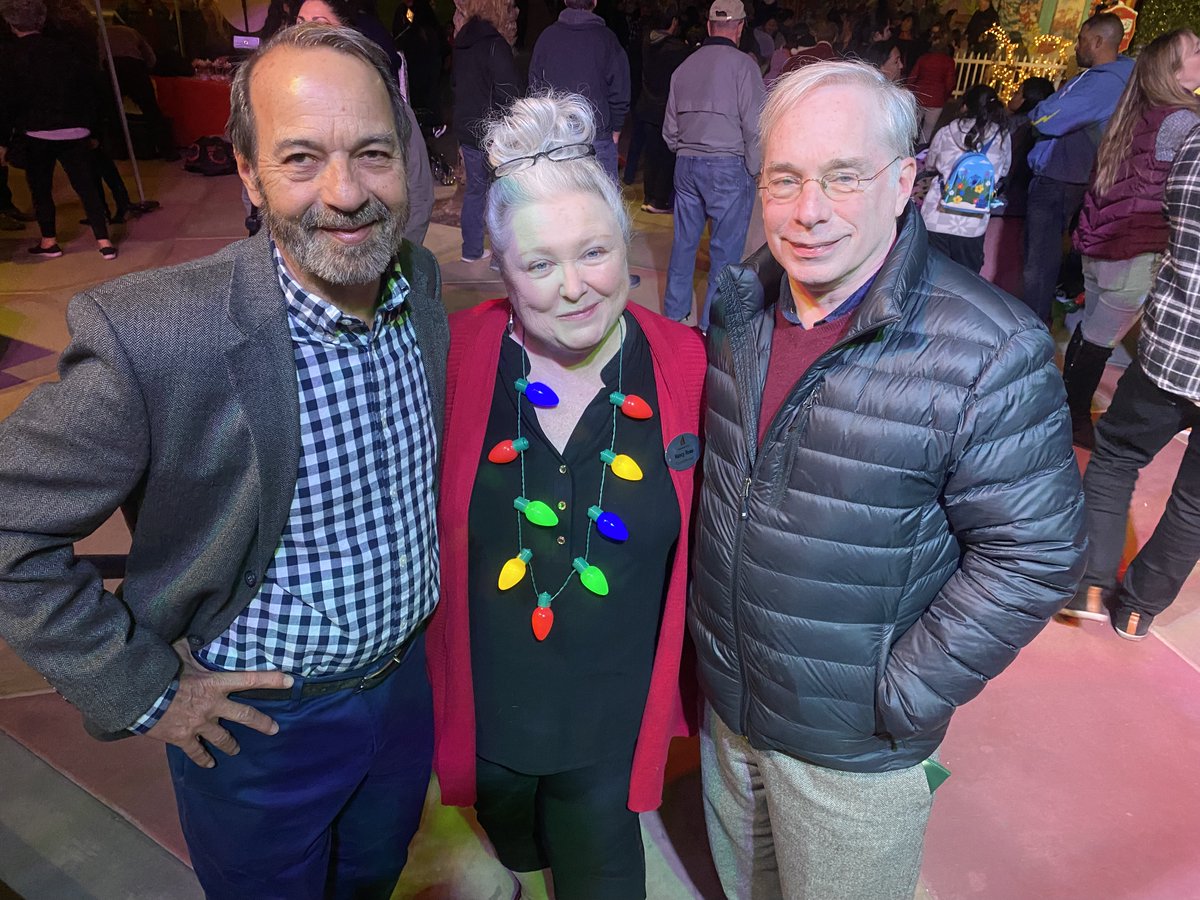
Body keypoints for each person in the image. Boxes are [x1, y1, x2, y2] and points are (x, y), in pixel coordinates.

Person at [0, 23, 447, 900]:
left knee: (371, 882)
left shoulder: (419, 286)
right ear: (246, 172)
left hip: (402, 696)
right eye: (301, 159)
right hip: (258, 729)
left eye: (372, 153)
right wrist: (145, 690)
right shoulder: (158, 336)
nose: (346, 192)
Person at [690, 60, 1086, 899]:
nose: (808, 210)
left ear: (905, 181)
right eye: (785, 178)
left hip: (851, 754)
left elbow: (1035, 554)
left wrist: (897, 694)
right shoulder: (739, 305)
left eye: (844, 176)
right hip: (730, 714)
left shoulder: (988, 350)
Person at [427, 91, 705, 900]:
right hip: (488, 719)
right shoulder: (453, 363)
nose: (575, 288)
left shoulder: (687, 368)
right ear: (500, 266)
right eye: (540, 264)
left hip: (611, 727)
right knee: (515, 843)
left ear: (627, 244)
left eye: (595, 253)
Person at [1069, 123, 1200, 640]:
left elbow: (1169, 211)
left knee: (1118, 457)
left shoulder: (1194, 139)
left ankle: (1088, 586)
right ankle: (1137, 611)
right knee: (1195, 503)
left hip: (1173, 349)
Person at [1060, 29, 1200, 453]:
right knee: (1100, 338)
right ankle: (1073, 420)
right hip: (1136, 250)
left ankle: (1068, 413)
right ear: (1174, 70)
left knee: (1091, 333)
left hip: (1105, 244)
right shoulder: (1182, 121)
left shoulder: (1137, 112)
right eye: (1198, 50)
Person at [1022, 13, 1133, 323]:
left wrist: (1041, 110)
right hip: (1081, 173)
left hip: (1061, 174)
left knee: (1039, 259)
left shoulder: (1104, 82)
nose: (1076, 46)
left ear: (1098, 41)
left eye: (1082, 39)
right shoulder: (1122, 74)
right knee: (1062, 250)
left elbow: (1048, 118)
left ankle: (1033, 327)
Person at [295, 0, 435, 243]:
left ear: (346, 32)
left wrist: (398, 256)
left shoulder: (382, 103)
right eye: (300, 23)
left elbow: (419, 191)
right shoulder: (283, 103)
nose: (306, 33)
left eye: (320, 23)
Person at [662, 0, 764, 330]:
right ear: (739, 27)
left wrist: (689, 151)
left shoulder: (684, 68)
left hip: (687, 165)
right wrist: (754, 168)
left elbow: (670, 132)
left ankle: (674, 315)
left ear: (708, 27)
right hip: (728, 167)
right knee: (725, 253)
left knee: (683, 245)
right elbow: (754, 127)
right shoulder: (744, 67)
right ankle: (711, 325)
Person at [0, 0, 116, 259]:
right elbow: (90, 92)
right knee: (86, 186)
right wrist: (93, 129)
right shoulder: (67, 51)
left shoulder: (9, 55)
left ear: (11, 23)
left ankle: (49, 241)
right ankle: (103, 241)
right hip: (75, 129)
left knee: (41, 189)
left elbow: (7, 100)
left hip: (36, 132)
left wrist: (4, 140)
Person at [528, 0, 630, 184]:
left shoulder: (547, 38)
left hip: (557, 136)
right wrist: (616, 128)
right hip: (597, 136)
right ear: (595, 2)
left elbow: (535, 87)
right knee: (601, 203)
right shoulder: (607, 40)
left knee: (560, 202)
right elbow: (620, 88)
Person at [451, 0, 521, 263]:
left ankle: (471, 250)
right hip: (495, 133)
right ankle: (499, 258)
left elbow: (455, 84)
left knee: (475, 192)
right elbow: (509, 92)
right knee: (500, 193)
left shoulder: (461, 45)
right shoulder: (495, 45)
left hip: (467, 129)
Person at [920, 83, 1011, 273]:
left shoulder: (946, 131)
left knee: (930, 277)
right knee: (966, 283)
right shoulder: (1002, 137)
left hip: (936, 217)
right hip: (972, 223)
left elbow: (930, 164)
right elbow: (1003, 171)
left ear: (965, 106)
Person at [634, 5, 689, 214]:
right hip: (667, 108)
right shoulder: (678, 49)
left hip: (647, 105)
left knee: (651, 154)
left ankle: (649, 197)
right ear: (673, 23)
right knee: (667, 156)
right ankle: (659, 200)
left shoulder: (647, 42)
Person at [908, 35, 957, 143]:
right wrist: (945, 96)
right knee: (927, 130)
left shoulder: (923, 58)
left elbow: (913, 76)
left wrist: (909, 90)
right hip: (936, 99)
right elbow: (950, 83)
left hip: (919, 96)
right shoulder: (948, 62)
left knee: (912, 127)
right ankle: (920, 152)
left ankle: (906, 147)